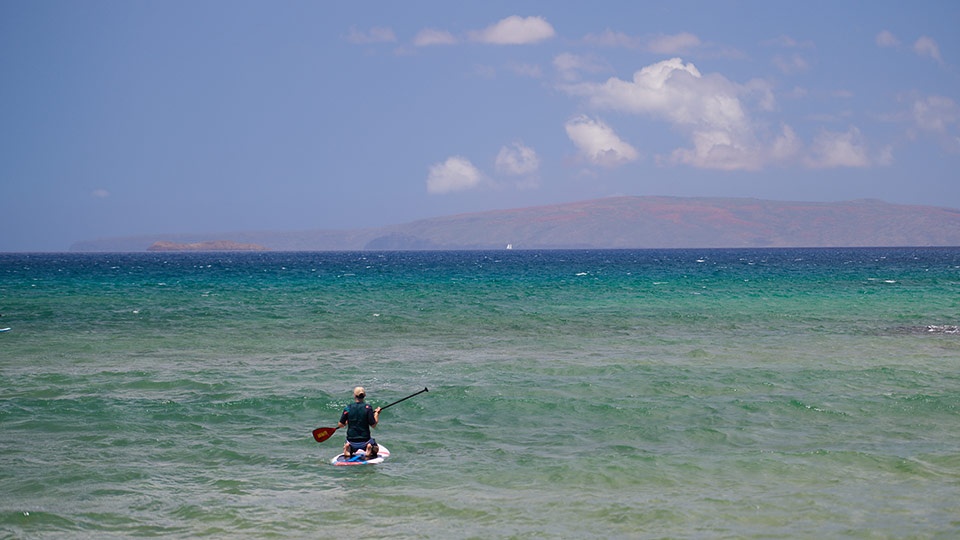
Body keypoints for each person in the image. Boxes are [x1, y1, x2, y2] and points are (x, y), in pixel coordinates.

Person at [338, 386, 382, 459]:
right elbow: (373, 425)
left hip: (351, 440)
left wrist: (347, 421)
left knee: (350, 444)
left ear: (354, 396)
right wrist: (376, 414)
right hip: (365, 440)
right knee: (376, 449)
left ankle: (348, 447)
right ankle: (369, 448)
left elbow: (340, 425)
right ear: (364, 396)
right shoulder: (368, 407)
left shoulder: (348, 408)